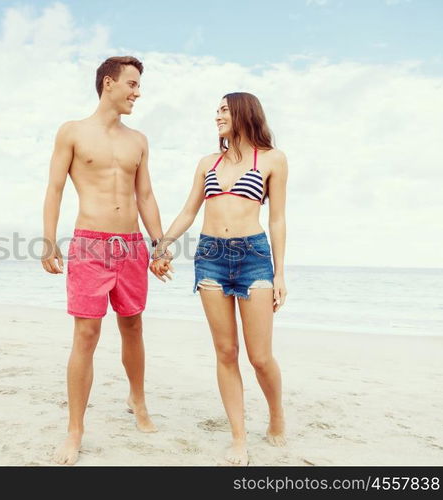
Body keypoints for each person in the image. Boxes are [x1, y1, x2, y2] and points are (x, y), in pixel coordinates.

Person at [41, 56, 170, 466]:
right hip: (90, 244)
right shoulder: (73, 132)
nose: (137, 92)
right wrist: (49, 241)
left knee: (133, 325)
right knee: (86, 335)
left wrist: (160, 245)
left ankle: (138, 400)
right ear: (109, 83)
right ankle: (75, 429)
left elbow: (145, 196)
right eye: (132, 84)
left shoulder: (139, 141)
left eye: (139, 85)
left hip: (131, 245)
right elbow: (55, 188)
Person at [151, 92, 288, 465]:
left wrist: (279, 273)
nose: (217, 116)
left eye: (224, 109)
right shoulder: (207, 162)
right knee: (226, 353)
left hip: (255, 257)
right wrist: (161, 245)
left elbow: (276, 218)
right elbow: (189, 211)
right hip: (210, 257)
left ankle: (276, 415)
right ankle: (239, 437)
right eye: (217, 110)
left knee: (260, 357)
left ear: (245, 112)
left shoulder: (273, 160)